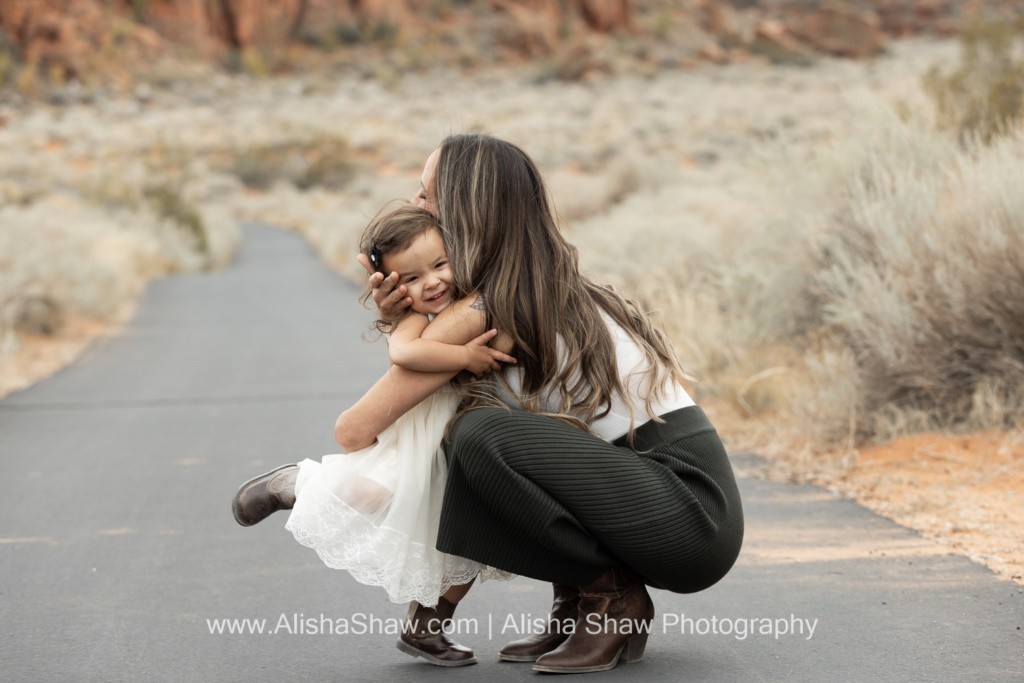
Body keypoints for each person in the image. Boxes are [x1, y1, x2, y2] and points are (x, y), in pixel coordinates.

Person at [237, 133, 744, 674]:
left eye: (427, 195)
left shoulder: (494, 304)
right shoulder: (537, 283)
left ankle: (613, 598)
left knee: (478, 436)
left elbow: (355, 429)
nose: (414, 206)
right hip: (684, 508)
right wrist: (406, 318)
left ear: (465, 210)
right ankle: (578, 606)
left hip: (687, 514)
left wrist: (405, 325)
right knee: (491, 436)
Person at [232, 204, 515, 667]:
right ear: (395, 287)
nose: (433, 283)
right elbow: (407, 353)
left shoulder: (470, 303)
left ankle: (427, 627)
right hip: (417, 433)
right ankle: (295, 484)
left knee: (462, 542)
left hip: (457, 439)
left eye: (441, 265)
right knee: (371, 494)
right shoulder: (413, 319)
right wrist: (464, 358)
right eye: (413, 277)